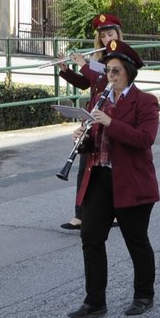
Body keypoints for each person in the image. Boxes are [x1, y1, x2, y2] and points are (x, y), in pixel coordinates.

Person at [68, 39, 160, 318]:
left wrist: (110, 123)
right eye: (108, 70)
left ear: (129, 72)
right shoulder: (100, 99)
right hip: (100, 177)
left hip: (132, 180)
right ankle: (95, 301)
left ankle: (144, 295)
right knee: (90, 237)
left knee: (136, 239)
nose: (110, 76)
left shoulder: (145, 102)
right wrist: (82, 139)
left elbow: (145, 139)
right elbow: (96, 139)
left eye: (116, 71)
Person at [57, 13, 119, 229]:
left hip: (112, 116)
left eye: (110, 34)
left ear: (118, 34)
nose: (106, 39)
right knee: (84, 165)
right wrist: (67, 71)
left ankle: (114, 212)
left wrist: (84, 64)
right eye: (102, 35)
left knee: (109, 168)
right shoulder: (99, 58)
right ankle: (80, 215)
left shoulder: (121, 57)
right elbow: (87, 84)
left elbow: (107, 81)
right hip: (93, 115)